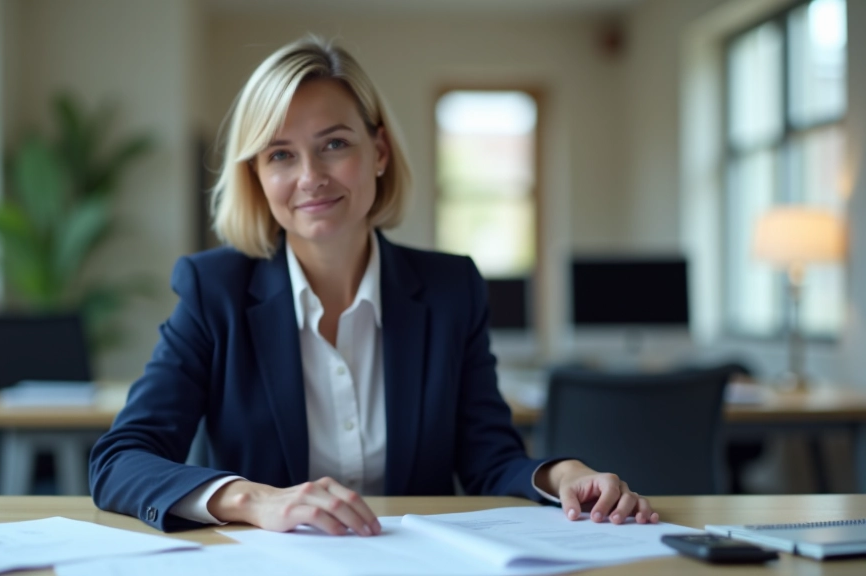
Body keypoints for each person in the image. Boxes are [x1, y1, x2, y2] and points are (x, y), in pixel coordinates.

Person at [89, 35, 659, 535]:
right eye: (281, 154)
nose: (311, 177)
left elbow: (488, 458)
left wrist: (562, 474)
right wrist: (253, 500)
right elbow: (119, 460)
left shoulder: (450, 288)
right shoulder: (216, 291)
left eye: (334, 143)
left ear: (379, 151)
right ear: (257, 177)